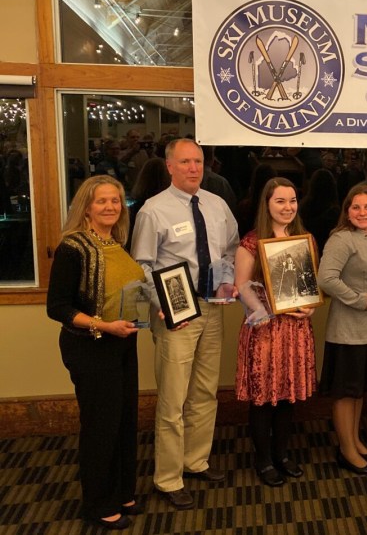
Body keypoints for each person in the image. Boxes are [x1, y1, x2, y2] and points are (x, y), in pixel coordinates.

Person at [130, 138, 239, 509]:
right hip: (173, 315)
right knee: (173, 399)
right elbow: (140, 266)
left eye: (198, 161)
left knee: (205, 390)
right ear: (169, 166)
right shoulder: (153, 211)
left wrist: (227, 281)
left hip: (212, 308)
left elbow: (230, 250)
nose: (194, 168)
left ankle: (196, 460)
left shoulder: (218, 204)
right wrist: (163, 304)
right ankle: (168, 478)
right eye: (186, 162)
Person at [46, 175, 144, 530]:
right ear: (86, 206)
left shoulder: (115, 243)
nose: (110, 207)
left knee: (123, 421)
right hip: (90, 346)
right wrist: (104, 326)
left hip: (122, 343)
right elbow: (57, 307)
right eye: (102, 201)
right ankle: (97, 503)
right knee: (101, 426)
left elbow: (127, 292)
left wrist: (157, 308)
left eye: (115, 201)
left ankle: (121, 491)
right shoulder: (73, 248)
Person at [234, 177, 316, 487]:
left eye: (292, 201)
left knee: (287, 396)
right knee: (264, 398)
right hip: (266, 329)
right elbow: (242, 285)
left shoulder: (302, 238)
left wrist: (310, 306)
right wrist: (262, 311)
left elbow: (308, 283)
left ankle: (282, 454)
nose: (288, 207)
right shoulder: (252, 242)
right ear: (267, 204)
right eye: (280, 201)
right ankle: (263, 459)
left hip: (295, 328)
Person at [318, 185, 367, 476]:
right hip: (347, 329)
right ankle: (346, 449)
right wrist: (360, 300)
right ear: (347, 211)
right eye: (356, 207)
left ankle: (355, 440)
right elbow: (326, 278)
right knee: (346, 393)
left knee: (358, 391)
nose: (362, 212)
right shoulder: (342, 239)